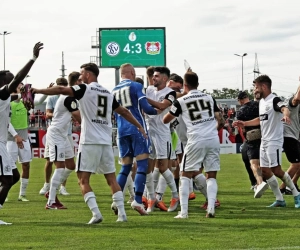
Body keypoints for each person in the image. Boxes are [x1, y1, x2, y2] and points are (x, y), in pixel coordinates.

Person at [31, 62, 148, 224]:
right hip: (106, 142)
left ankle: (96, 213)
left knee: (82, 179)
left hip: (89, 141)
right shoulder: (107, 93)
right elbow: (124, 111)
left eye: (82, 73)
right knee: (111, 179)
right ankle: (122, 215)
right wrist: (139, 126)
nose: (80, 77)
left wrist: (38, 90)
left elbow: (61, 90)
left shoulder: (85, 89)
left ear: (88, 74)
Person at [163, 71, 224, 218]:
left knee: (184, 174)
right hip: (213, 138)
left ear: (184, 85)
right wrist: (211, 130)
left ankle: (183, 212)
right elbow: (220, 120)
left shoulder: (182, 101)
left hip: (196, 139)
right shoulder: (209, 97)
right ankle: (211, 208)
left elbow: (166, 119)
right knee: (211, 176)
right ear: (198, 84)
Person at [234, 75, 300, 208]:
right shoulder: (262, 102)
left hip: (274, 141)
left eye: (256, 87)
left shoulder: (274, 99)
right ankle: (280, 199)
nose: (254, 90)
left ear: (264, 87)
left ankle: (296, 195)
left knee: (276, 170)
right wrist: (244, 123)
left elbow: (284, 108)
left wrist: (286, 116)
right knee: (264, 171)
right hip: (264, 141)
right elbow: (261, 119)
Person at [0, 42, 43, 225]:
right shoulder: (2, 93)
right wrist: (33, 59)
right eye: (11, 82)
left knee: (14, 177)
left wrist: (29, 94)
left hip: (2, 142)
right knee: (8, 179)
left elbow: (20, 96)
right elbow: (17, 79)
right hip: (0, 144)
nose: (16, 85)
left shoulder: (6, 96)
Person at [112, 63, 159, 215]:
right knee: (142, 166)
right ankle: (138, 201)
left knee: (125, 167)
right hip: (137, 128)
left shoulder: (113, 90)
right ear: (132, 72)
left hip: (121, 130)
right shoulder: (135, 86)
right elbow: (145, 107)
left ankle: (116, 200)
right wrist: (158, 110)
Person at [29, 83, 81, 209]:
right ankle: (51, 200)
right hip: (57, 134)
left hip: (63, 134)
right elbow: (79, 116)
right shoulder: (68, 98)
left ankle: (52, 190)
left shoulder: (69, 98)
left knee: (71, 165)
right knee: (59, 167)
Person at [145, 66, 179, 213]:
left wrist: (143, 100)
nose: (154, 78)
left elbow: (161, 106)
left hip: (163, 134)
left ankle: (175, 195)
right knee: (148, 167)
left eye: (157, 76)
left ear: (165, 79)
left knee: (163, 167)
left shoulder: (170, 93)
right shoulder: (149, 90)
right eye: (153, 76)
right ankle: (151, 199)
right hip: (149, 133)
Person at [7, 82, 49, 201]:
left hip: (24, 137)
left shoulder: (25, 102)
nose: (22, 87)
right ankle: (4, 192)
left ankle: (22, 194)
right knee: (9, 167)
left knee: (26, 165)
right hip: (11, 139)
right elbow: (6, 122)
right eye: (20, 85)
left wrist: (47, 91)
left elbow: (39, 102)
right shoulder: (8, 102)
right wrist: (15, 136)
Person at [39, 78, 71, 196]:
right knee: (49, 160)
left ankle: (62, 186)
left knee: (68, 163)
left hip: (67, 133)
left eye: (64, 86)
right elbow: (47, 114)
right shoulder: (52, 98)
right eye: (60, 86)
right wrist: (59, 114)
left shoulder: (70, 96)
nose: (61, 88)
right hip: (54, 132)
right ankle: (47, 184)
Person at [234, 91, 268, 197]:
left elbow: (241, 128)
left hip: (251, 137)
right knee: (265, 162)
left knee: (252, 163)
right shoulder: (259, 105)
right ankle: (266, 181)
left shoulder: (241, 111)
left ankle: (258, 182)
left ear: (240, 100)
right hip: (265, 135)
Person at [279, 87, 300, 194]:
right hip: (289, 136)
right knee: (296, 164)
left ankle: (292, 183)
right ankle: (282, 188)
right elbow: (296, 98)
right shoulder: (293, 101)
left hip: (293, 136)